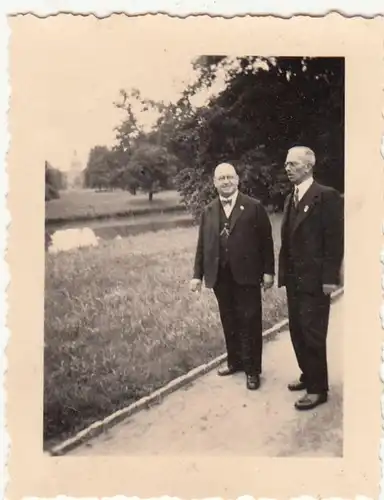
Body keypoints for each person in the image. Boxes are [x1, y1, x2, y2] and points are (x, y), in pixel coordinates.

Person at [190, 162, 275, 390]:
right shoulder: (208, 211)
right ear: (214, 182)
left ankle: (252, 371)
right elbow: (202, 245)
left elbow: (266, 242)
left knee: (250, 321)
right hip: (220, 276)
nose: (225, 182)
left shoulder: (254, 207)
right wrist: (197, 275)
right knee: (229, 320)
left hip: (247, 275)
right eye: (221, 178)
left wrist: (268, 272)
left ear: (237, 179)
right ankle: (234, 362)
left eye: (229, 177)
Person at [278, 146, 344, 410]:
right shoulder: (290, 197)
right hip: (294, 280)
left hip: (316, 280)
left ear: (308, 166)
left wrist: (330, 278)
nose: (287, 168)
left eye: (292, 164)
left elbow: (334, 242)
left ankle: (318, 389)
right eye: (286, 164)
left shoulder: (326, 196)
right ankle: (308, 374)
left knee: (313, 333)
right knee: (297, 330)